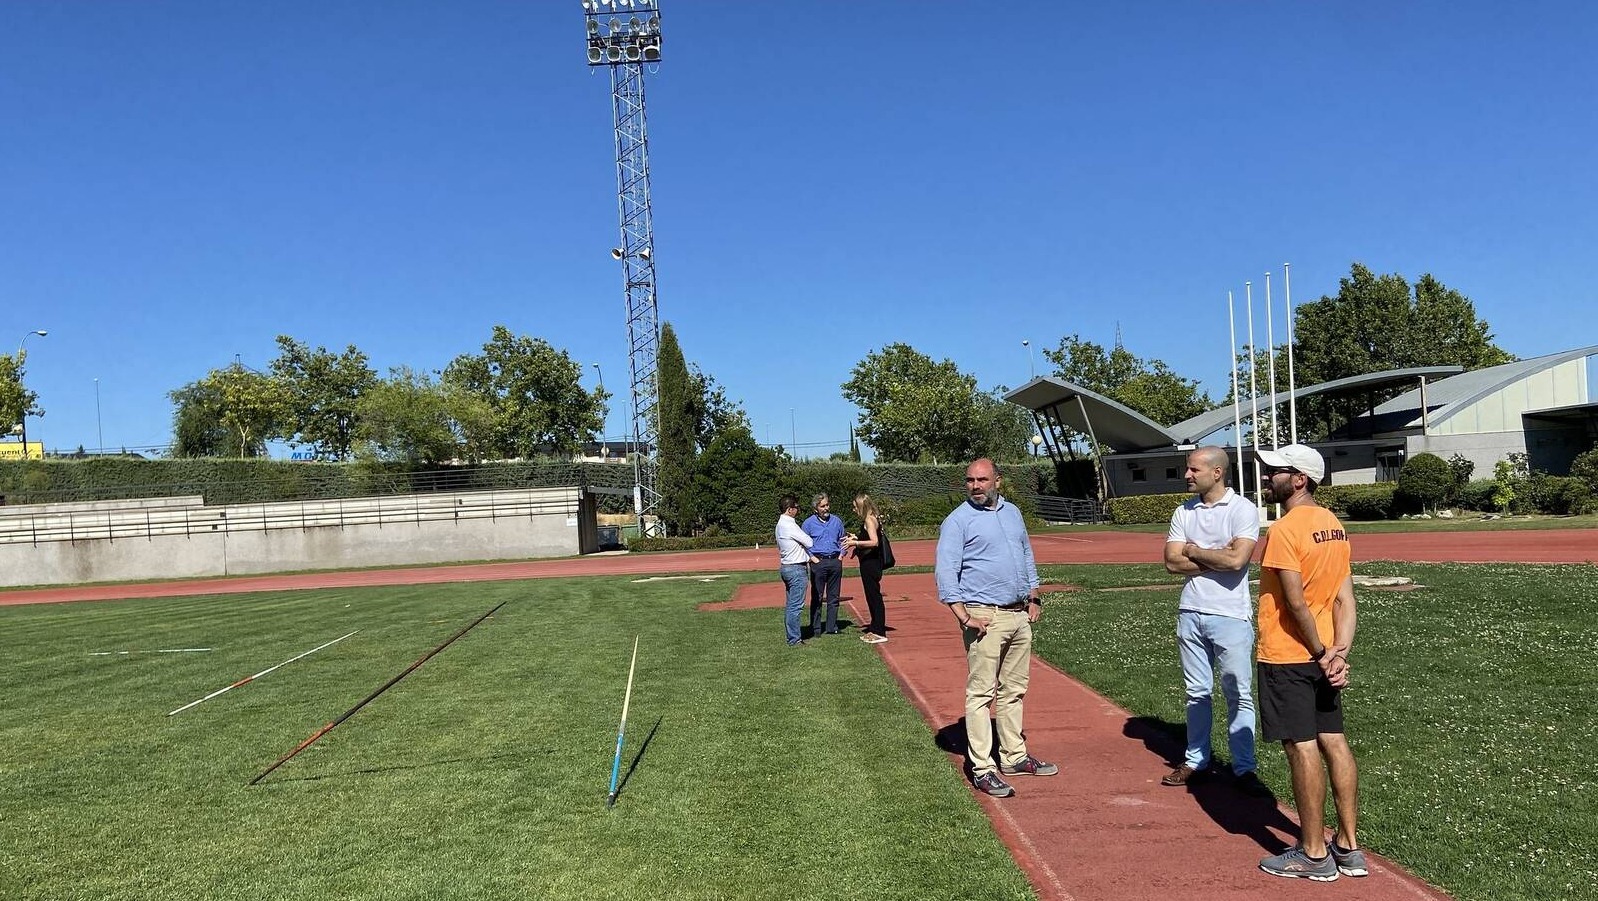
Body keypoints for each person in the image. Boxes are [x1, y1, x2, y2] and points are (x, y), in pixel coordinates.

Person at [1252, 444, 1366, 882]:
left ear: (1299, 479)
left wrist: (1321, 653)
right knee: (1333, 740)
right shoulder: (1333, 526)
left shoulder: (1284, 530)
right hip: (1324, 655)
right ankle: (1348, 846)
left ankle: (1314, 854)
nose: (1267, 477)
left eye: (1275, 471)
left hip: (1288, 655)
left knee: (1301, 747)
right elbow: (1346, 599)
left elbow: (1295, 603)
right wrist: (1340, 652)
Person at [935, 458, 1057, 798]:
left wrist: (1034, 597)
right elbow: (946, 573)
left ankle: (1013, 756)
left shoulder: (1013, 513)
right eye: (970, 480)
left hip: (1019, 615)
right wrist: (964, 616)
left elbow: (1025, 555)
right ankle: (982, 768)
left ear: (997, 481)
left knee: (1014, 690)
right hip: (984, 617)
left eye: (982, 480)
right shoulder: (957, 521)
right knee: (981, 694)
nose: (976, 486)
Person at [1162, 446, 1266, 795]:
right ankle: (1195, 760)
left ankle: (1244, 768)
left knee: (1239, 693)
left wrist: (1193, 550)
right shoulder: (1183, 511)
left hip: (1231, 616)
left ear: (1217, 472)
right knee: (1197, 693)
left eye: (1193, 470)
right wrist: (1218, 555)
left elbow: (1238, 562)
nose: (1187, 475)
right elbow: (1171, 563)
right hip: (1191, 612)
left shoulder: (1242, 510)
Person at [842, 492, 888, 644]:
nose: (854, 510)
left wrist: (855, 543)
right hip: (869, 562)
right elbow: (869, 538)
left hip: (871, 563)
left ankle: (879, 631)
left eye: (855, 507)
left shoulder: (869, 519)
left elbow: (874, 542)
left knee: (874, 596)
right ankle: (875, 628)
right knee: (871, 596)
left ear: (862, 506)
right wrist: (857, 538)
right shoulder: (871, 518)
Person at [802, 493, 847, 637]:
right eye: (823, 506)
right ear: (816, 508)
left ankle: (831, 626)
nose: (826, 508)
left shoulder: (836, 521)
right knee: (817, 596)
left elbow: (843, 539)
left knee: (834, 596)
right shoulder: (808, 524)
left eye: (827, 505)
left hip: (834, 561)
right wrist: (812, 558)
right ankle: (815, 628)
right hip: (818, 562)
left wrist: (841, 555)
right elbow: (803, 543)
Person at [774, 494, 816, 647]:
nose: (798, 510)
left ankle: (792, 636)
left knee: (791, 604)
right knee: (795, 606)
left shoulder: (780, 524)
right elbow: (809, 542)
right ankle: (794, 639)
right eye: (796, 507)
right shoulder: (789, 524)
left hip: (787, 567)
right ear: (789, 509)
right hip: (796, 568)